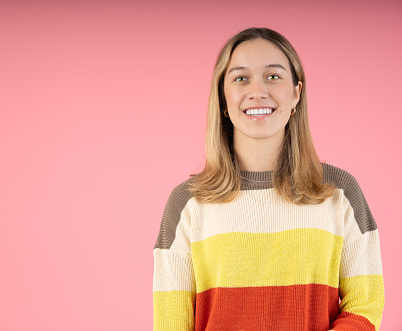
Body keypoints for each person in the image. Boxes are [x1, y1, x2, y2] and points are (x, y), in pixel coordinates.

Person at [152, 27, 384, 331]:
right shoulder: (187, 203)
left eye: (273, 76)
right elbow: (171, 323)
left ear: (296, 93)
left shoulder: (340, 192)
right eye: (240, 78)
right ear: (223, 97)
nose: (258, 90)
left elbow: (365, 307)